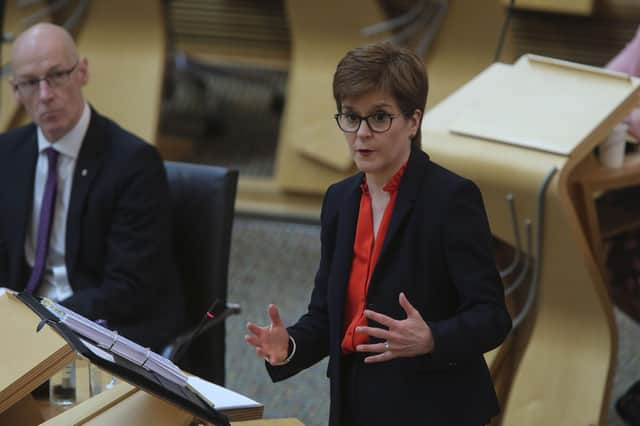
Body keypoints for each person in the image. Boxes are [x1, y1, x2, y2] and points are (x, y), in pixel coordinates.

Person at [245, 42, 512, 425]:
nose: (362, 134)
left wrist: (432, 337)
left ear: (414, 121)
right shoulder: (339, 201)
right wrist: (288, 345)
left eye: (380, 118)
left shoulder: (451, 199)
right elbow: (328, 315)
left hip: (433, 409)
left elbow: (493, 317)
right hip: (355, 402)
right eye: (351, 117)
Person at [0, 23, 184, 351]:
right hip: (21, 324)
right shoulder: (6, 154)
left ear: (82, 72)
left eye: (57, 75)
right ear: (15, 90)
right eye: (30, 83)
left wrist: (43, 318)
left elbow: (130, 287)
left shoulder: (133, 163)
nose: (45, 95)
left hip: (98, 327)